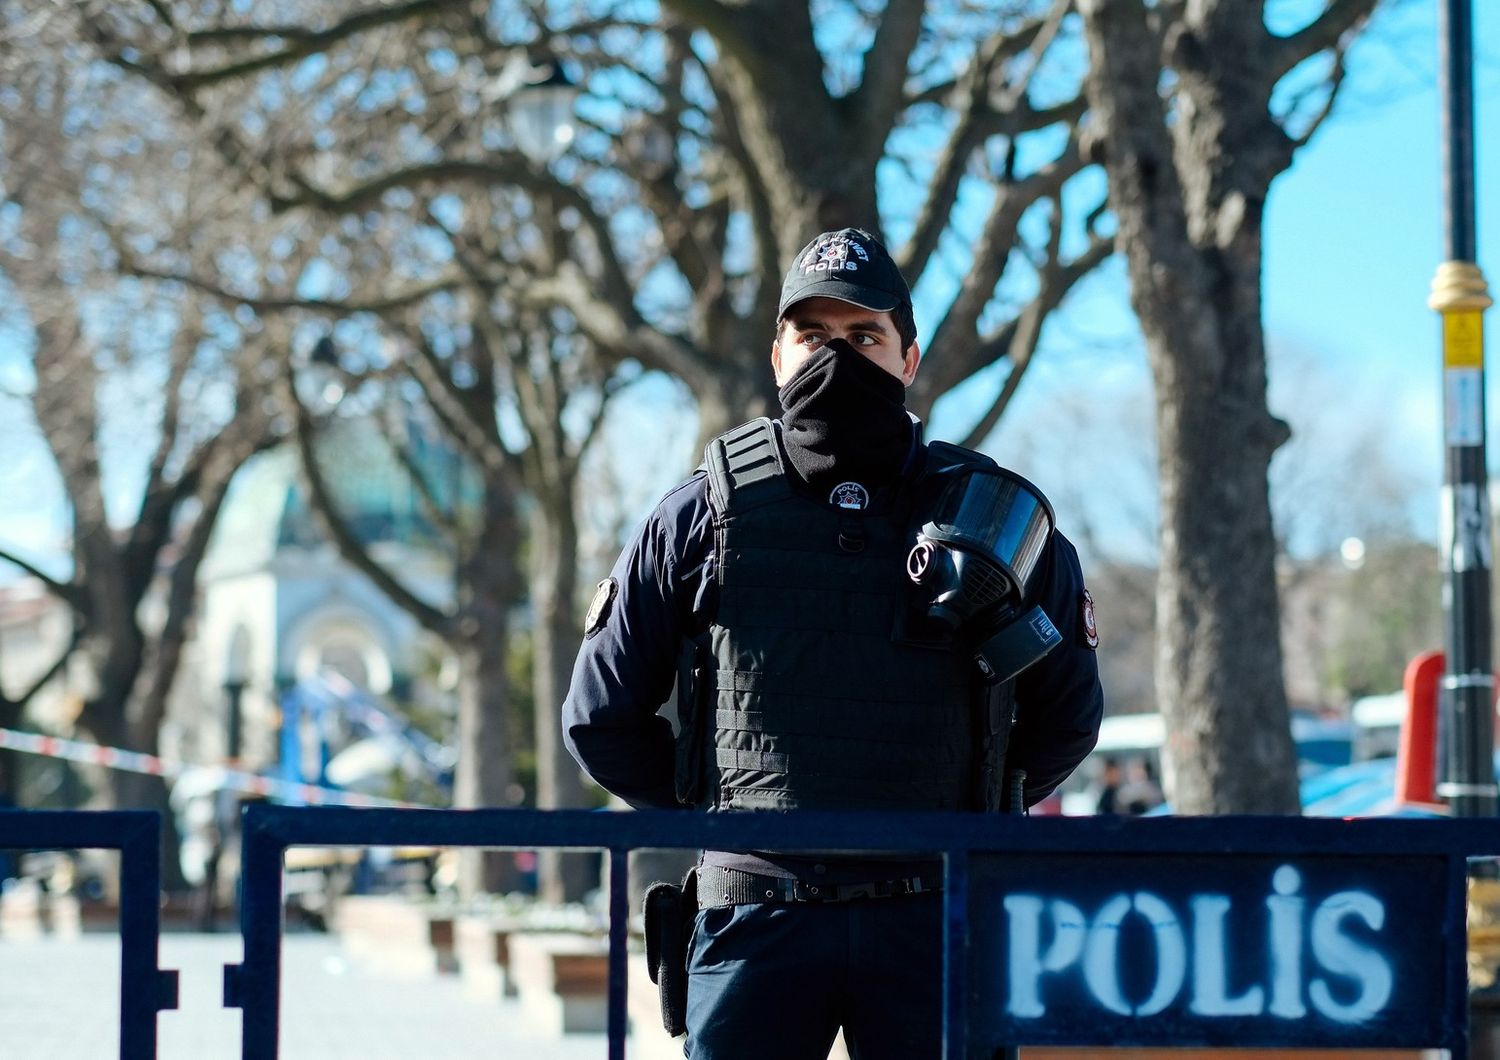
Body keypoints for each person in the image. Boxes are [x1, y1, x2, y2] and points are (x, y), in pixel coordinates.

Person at [563, 227, 1104, 1059]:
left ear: (909, 359)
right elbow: (600, 715)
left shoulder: (998, 516)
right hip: (773, 905)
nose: (836, 357)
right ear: (776, 354)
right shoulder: (703, 512)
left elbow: (1066, 709)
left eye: (863, 337)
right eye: (813, 335)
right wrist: (725, 816)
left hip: (923, 909)